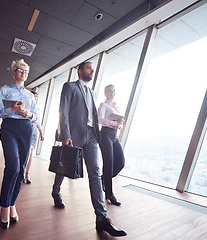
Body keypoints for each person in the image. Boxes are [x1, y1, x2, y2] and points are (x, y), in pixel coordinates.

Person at [51, 61, 127, 237]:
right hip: (74, 134)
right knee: (65, 166)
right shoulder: (69, 87)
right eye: (88, 68)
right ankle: (56, 191)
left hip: (91, 136)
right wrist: (65, 134)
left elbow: (94, 116)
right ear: (79, 71)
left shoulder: (93, 93)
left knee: (95, 172)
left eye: (93, 69)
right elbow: (63, 110)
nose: (92, 70)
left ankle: (101, 218)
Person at [0, 59, 37, 230]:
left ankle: (12, 203)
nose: (23, 73)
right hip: (9, 128)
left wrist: (28, 113)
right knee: (12, 167)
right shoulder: (4, 90)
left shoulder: (29, 95)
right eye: (20, 70)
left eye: (26, 71)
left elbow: (36, 115)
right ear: (13, 73)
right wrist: (12, 110)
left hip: (26, 128)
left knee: (20, 169)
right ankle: (5, 207)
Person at [98, 85, 125, 206]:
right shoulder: (104, 105)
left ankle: (103, 178)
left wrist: (119, 125)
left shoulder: (116, 106)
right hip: (105, 135)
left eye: (114, 90)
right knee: (108, 163)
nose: (112, 92)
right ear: (105, 93)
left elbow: (119, 122)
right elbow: (100, 119)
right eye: (109, 91)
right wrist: (114, 123)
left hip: (115, 136)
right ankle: (109, 194)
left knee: (120, 162)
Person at [24, 90, 44, 184]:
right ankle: (22, 172)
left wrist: (41, 133)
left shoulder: (38, 109)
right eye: (33, 96)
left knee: (31, 153)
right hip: (26, 128)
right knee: (26, 153)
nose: (35, 98)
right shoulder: (25, 106)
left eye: (36, 97)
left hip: (35, 130)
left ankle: (27, 173)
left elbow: (38, 121)